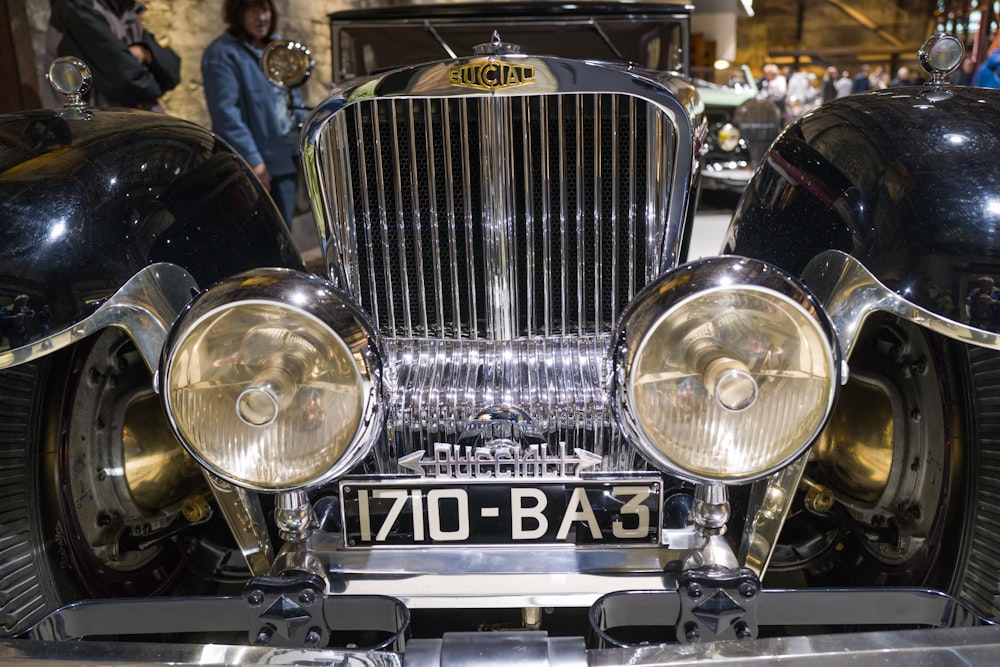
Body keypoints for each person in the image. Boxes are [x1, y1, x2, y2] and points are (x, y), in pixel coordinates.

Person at [202, 0, 305, 227]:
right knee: (268, 239)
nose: (262, 17)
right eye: (253, 9)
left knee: (286, 233)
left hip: (287, 158)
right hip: (257, 165)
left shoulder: (275, 48)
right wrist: (254, 161)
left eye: (265, 9)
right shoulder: (223, 53)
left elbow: (291, 96)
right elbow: (226, 114)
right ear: (237, 13)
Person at [44, 0, 180, 111]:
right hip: (94, 131)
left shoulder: (125, 10)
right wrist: (157, 86)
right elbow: (125, 79)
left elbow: (172, 71)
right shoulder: (77, 8)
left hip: (129, 127)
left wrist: (145, 53)